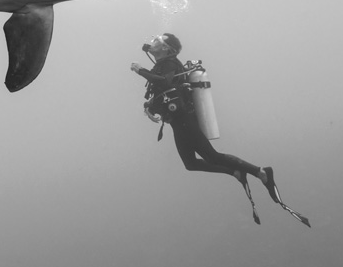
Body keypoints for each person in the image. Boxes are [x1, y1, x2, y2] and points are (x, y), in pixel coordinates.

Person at [131, 33, 309, 227]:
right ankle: (236, 172)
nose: (153, 42)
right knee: (190, 163)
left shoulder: (170, 63)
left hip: (184, 120)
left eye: (158, 40)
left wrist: (140, 70)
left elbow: (165, 83)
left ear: (166, 49)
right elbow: (165, 90)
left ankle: (260, 172)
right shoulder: (163, 65)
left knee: (212, 156)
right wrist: (150, 106)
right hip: (177, 121)